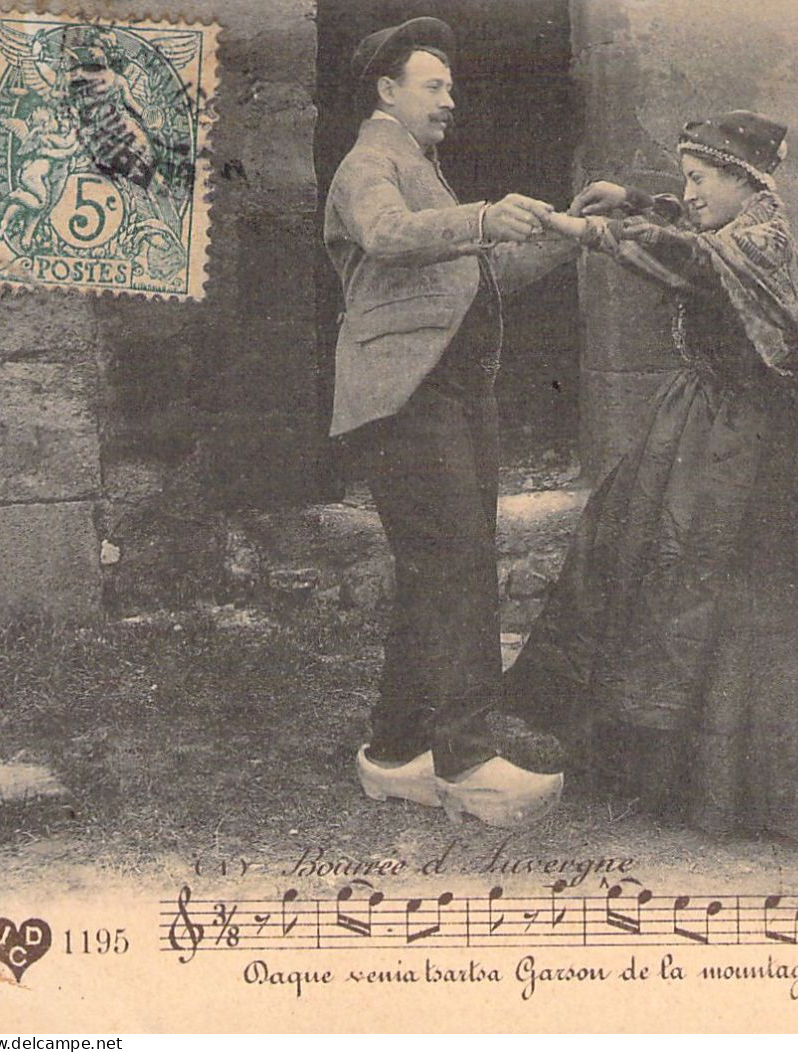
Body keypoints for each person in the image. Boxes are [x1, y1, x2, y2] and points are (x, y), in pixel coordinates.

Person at [502, 111, 798, 848]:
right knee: (645, 566)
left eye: (701, 179)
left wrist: (589, 231)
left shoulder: (758, 242)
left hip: (742, 444)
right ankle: (657, 766)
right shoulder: (735, 230)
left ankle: (736, 783)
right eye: (687, 179)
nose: (689, 192)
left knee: (721, 588)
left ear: (745, 182)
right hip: (698, 424)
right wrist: (630, 197)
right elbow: (687, 236)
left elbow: (687, 261)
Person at [325, 17, 579, 828]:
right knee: (458, 564)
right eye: (433, 85)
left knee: (443, 564)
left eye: (449, 87)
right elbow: (386, 235)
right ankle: (469, 763)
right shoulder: (371, 163)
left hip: (454, 393)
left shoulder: (423, 169)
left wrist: (570, 229)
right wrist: (478, 217)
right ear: (387, 91)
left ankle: (396, 752)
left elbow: (483, 274)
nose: (449, 100)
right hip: (405, 398)